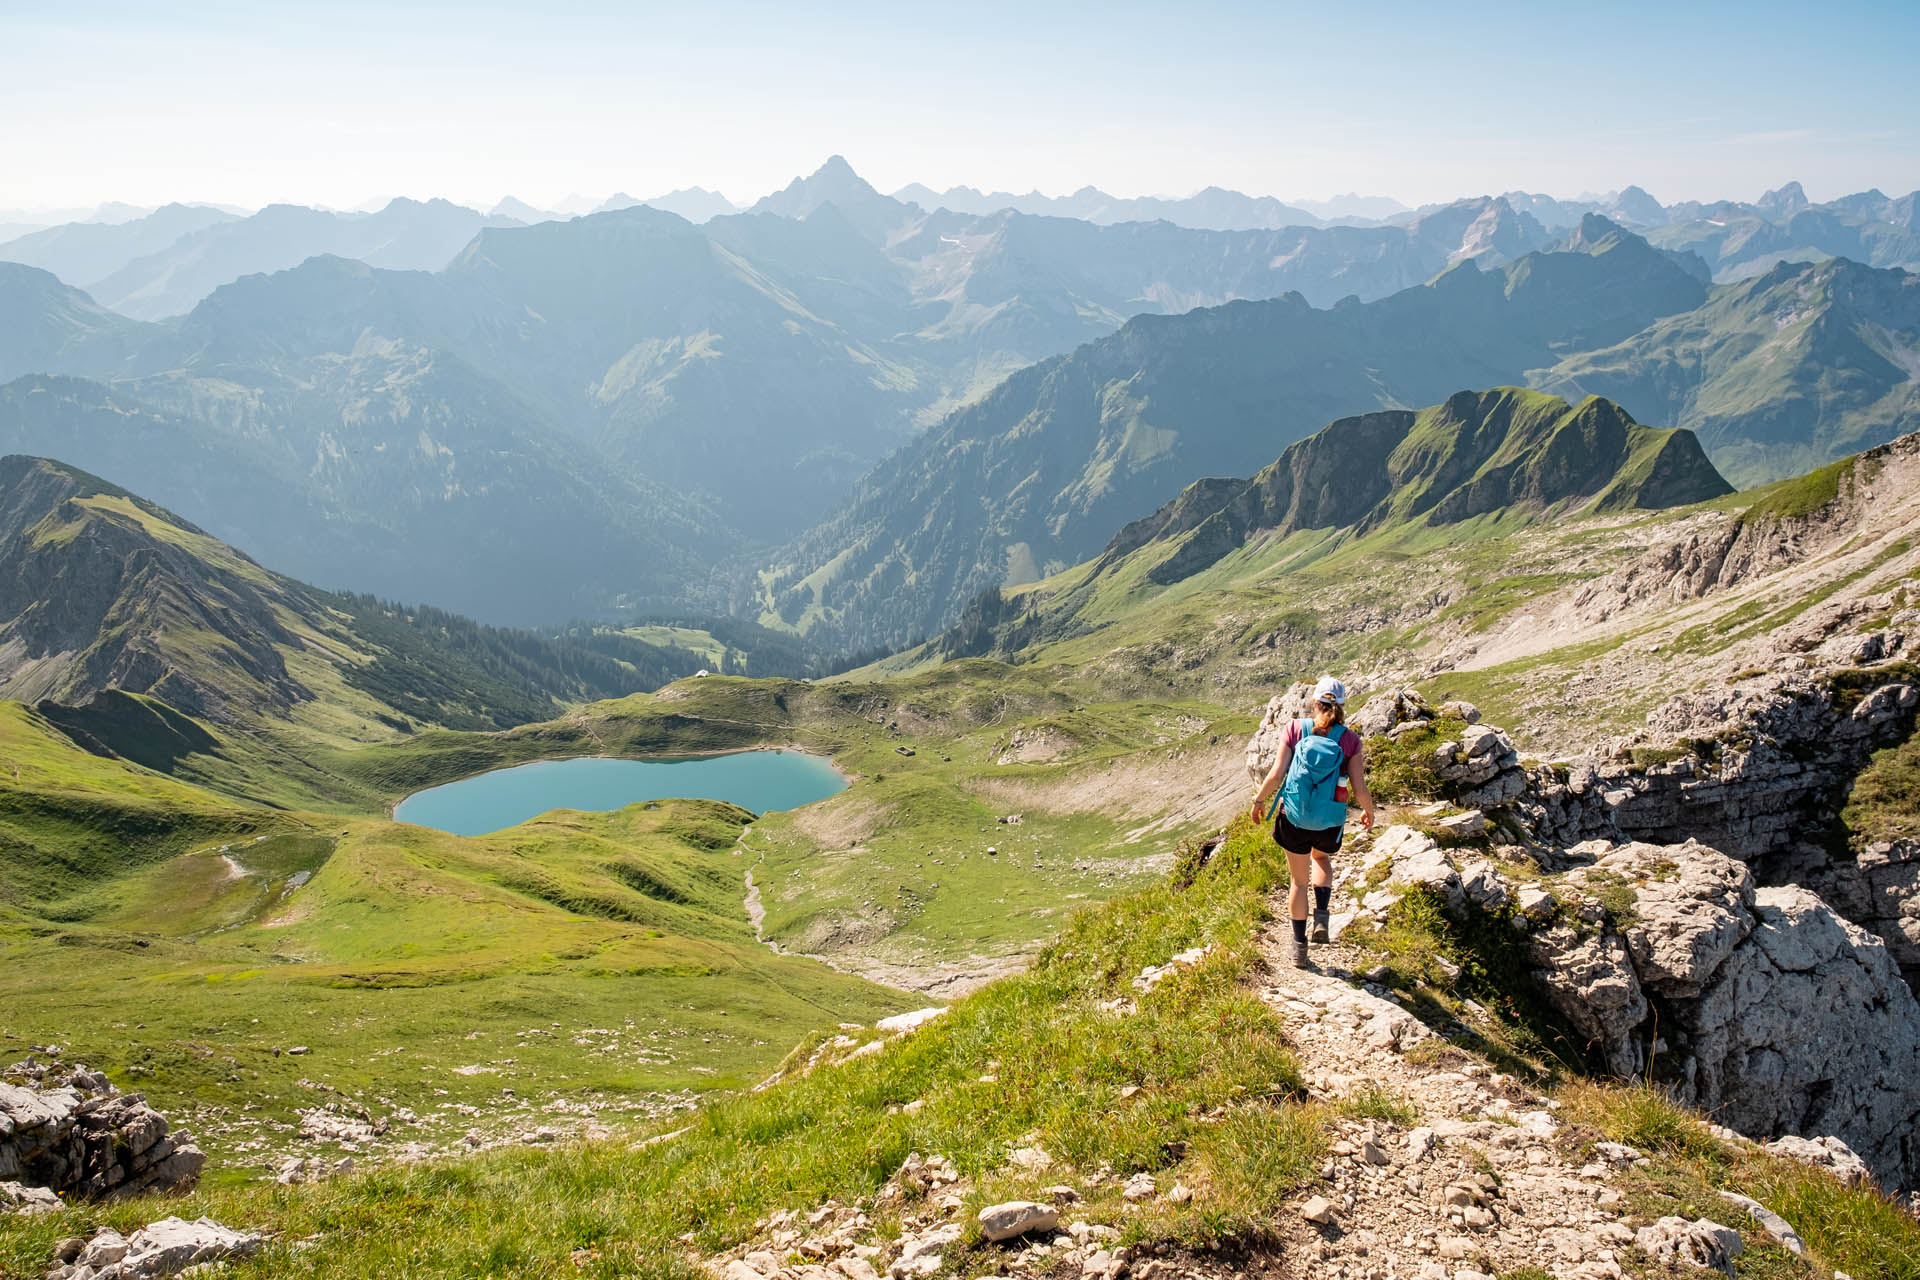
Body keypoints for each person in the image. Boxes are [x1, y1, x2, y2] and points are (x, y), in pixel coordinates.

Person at [1250, 676, 1376, 968]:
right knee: (1321, 860)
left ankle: (1299, 949)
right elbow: (1359, 786)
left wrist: (1259, 800)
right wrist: (1368, 811)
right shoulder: (1349, 740)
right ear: (1342, 706)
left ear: (1314, 702)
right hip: (1329, 819)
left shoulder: (1295, 729)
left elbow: (1276, 774)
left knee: (1297, 882)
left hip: (1293, 816)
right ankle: (1322, 916)